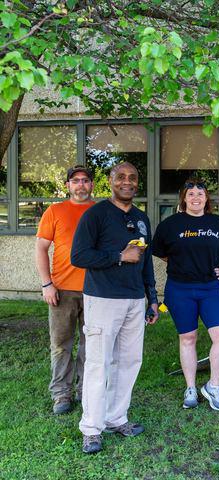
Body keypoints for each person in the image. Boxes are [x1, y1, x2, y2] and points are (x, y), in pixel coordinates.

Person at [70, 162, 159, 455]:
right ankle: (92, 429)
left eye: (133, 178)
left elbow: (145, 262)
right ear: (110, 181)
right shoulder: (95, 215)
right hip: (103, 298)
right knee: (99, 363)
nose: (127, 182)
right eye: (121, 177)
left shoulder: (142, 218)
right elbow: (79, 256)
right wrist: (119, 256)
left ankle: (116, 418)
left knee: (130, 362)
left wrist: (152, 298)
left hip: (135, 300)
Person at [152, 179, 219, 411]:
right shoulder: (170, 225)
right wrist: (179, 262)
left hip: (210, 288)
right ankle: (191, 387)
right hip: (180, 289)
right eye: (190, 193)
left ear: (206, 199)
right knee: (188, 338)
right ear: (184, 198)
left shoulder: (218, 224)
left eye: (200, 194)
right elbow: (160, 251)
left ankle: (213, 386)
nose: (195, 197)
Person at [35, 165, 95, 415]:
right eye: (75, 181)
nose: (80, 185)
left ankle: (84, 391)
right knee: (61, 344)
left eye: (85, 180)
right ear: (68, 185)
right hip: (61, 290)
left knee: (90, 345)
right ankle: (61, 394)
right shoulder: (55, 211)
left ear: (92, 184)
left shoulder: (101, 211)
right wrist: (47, 284)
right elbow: (41, 248)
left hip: (95, 290)